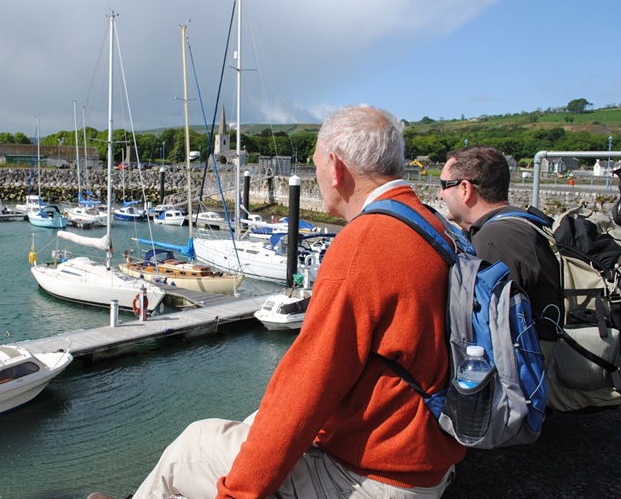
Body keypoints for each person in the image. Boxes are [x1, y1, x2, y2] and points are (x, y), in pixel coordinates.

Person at [122, 105, 466, 499]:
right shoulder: (434, 225)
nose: (318, 176)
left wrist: (237, 494)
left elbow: (304, 389)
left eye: (316, 164)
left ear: (335, 168)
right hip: (428, 457)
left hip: (377, 477)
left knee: (190, 448)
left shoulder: (362, 245)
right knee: (254, 423)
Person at [438, 146, 563, 339]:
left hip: (531, 364)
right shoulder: (515, 225)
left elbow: (487, 328)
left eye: (444, 185)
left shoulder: (495, 238)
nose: (440, 194)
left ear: (465, 189)